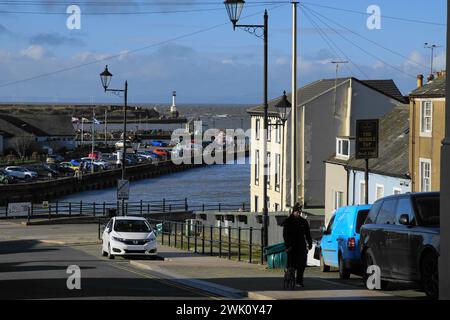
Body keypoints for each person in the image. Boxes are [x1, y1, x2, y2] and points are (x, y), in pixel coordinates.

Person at [283, 202, 313, 287]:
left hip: (301, 245)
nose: (299, 214)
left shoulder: (303, 222)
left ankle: (299, 281)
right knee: (291, 265)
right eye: (297, 212)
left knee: (301, 264)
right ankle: (289, 276)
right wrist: (287, 246)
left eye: (300, 212)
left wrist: (309, 243)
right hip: (291, 246)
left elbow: (307, 234)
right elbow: (285, 235)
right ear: (293, 212)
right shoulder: (288, 221)